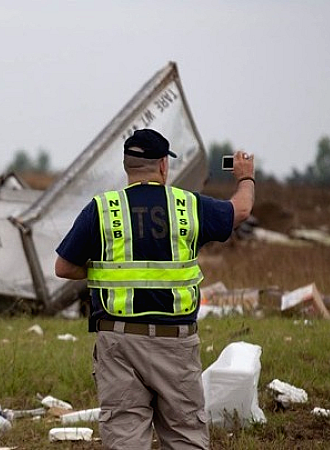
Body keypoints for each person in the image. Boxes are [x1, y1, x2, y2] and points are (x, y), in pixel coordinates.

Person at [54, 128, 255, 449]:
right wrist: (245, 178)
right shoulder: (187, 206)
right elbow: (240, 210)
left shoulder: (103, 209)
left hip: (118, 341)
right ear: (163, 165)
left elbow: (63, 267)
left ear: (126, 166)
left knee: (124, 436)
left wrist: (106, 271)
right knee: (185, 434)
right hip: (174, 343)